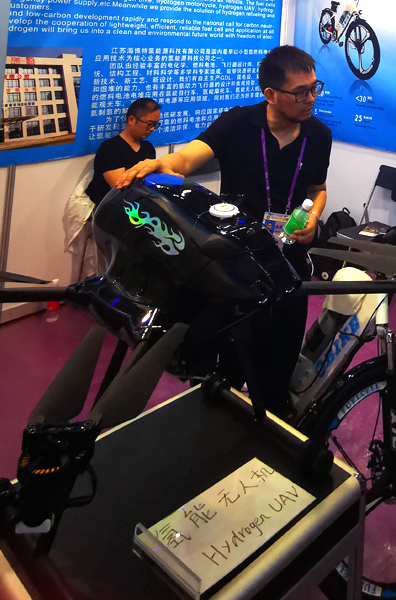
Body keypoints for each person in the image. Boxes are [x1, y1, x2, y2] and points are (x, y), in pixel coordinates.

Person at [119, 45, 332, 417]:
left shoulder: (319, 134)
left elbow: (318, 190)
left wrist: (313, 216)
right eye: (301, 92)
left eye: (315, 88)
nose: (311, 98)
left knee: (279, 361)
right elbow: (189, 156)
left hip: (290, 263)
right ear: (270, 94)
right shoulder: (238, 123)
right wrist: (162, 164)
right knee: (229, 365)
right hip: (236, 264)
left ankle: (273, 423)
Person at [85, 98, 160, 204]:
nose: (152, 129)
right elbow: (121, 189)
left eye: (155, 125)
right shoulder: (110, 148)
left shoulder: (148, 148)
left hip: (137, 202)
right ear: (131, 120)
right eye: (149, 124)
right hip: (111, 206)